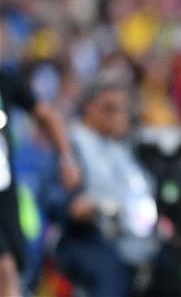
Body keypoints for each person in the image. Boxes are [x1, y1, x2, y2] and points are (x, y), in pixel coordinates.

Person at [41, 77, 159, 297]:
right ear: (90, 107)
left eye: (121, 110)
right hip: (86, 236)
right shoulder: (72, 144)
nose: (117, 117)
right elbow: (51, 195)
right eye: (110, 109)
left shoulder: (125, 147)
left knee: (169, 266)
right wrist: (71, 207)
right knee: (111, 273)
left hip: (132, 235)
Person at [0, 68, 81, 296]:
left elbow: (47, 115)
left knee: (15, 265)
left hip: (5, 189)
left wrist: (67, 159)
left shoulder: (6, 78)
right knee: (4, 268)